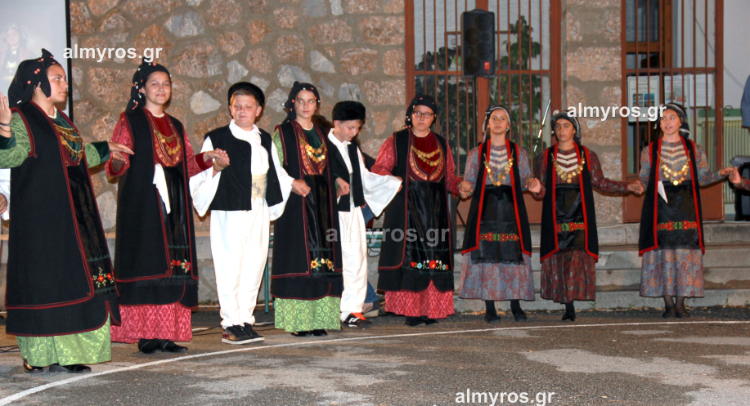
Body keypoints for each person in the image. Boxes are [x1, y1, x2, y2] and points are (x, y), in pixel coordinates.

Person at [0, 49, 133, 372]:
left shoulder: (62, 120)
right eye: (57, 78)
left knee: (73, 281)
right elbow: (10, 157)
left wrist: (105, 148)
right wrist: (3, 129)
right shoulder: (21, 117)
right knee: (46, 285)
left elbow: (74, 155)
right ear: (37, 84)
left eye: (63, 78)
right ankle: (41, 357)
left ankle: (69, 354)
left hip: (73, 217)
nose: (64, 84)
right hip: (40, 220)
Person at [105, 59, 228, 353]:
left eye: (166, 84)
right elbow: (115, 165)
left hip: (174, 210)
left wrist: (207, 158)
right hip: (144, 207)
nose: (161, 89)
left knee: (172, 269)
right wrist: (117, 161)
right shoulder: (130, 120)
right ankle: (146, 334)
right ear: (141, 89)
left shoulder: (176, 125)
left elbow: (185, 165)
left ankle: (166, 333)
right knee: (148, 264)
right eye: (154, 84)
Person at [191, 82, 299, 344]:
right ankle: (230, 322)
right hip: (230, 209)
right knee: (230, 266)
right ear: (230, 108)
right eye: (237, 106)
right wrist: (216, 167)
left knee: (254, 263)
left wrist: (289, 187)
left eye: (248, 107)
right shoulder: (217, 138)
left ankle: (245, 320)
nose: (242, 111)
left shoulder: (264, 139)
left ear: (258, 110)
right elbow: (199, 174)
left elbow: (276, 171)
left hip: (258, 208)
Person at [372, 94, 472, 327]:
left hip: (435, 212)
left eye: (427, 114)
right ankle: (411, 311)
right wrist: (392, 179)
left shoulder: (441, 143)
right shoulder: (396, 140)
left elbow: (448, 177)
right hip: (406, 210)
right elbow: (378, 169)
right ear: (410, 115)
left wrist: (459, 185)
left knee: (432, 260)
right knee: (410, 258)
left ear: (433, 118)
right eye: (417, 113)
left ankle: (429, 310)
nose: (421, 118)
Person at [536, 110, 642, 321]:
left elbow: (600, 183)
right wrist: (536, 188)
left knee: (575, 258)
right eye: (558, 127)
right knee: (559, 258)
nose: (561, 130)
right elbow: (542, 189)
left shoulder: (587, 155)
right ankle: (567, 305)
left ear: (574, 130)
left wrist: (627, 186)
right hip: (555, 216)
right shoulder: (546, 156)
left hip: (580, 215)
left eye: (566, 126)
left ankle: (571, 303)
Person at [637, 103, 734, 318]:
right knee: (663, 252)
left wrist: (721, 173)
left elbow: (703, 178)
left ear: (681, 121)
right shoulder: (649, 151)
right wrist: (638, 187)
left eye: (672, 117)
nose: (667, 122)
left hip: (686, 206)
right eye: (663, 118)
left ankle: (681, 304)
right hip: (661, 208)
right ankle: (668, 304)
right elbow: (644, 178)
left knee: (685, 252)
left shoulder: (695, 150)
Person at [270, 82, 343, 337]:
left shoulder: (322, 134)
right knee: (299, 259)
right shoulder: (282, 132)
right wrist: (291, 183)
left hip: (322, 206)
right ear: (292, 103)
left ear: (317, 104)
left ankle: (319, 319)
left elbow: (330, 165)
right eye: (300, 100)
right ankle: (299, 322)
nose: (305, 105)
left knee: (322, 260)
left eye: (310, 101)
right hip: (296, 205)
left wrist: (338, 181)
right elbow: (273, 167)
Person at [459, 105, 542, 323]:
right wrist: (465, 187)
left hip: (510, 211)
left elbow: (524, 179)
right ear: (487, 124)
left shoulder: (519, 152)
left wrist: (530, 182)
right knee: (486, 255)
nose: (497, 122)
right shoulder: (475, 154)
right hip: (484, 211)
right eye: (494, 118)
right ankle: (490, 307)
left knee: (513, 254)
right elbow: (469, 182)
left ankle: (515, 304)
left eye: (502, 118)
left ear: (508, 125)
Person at [327, 101, 401, 328]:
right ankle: (329, 308)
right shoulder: (323, 146)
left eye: (357, 128)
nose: (353, 132)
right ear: (336, 123)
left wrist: (389, 183)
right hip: (331, 212)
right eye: (350, 127)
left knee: (356, 260)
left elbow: (365, 178)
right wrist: (335, 184)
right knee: (334, 260)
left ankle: (352, 310)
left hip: (352, 210)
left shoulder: (352, 149)